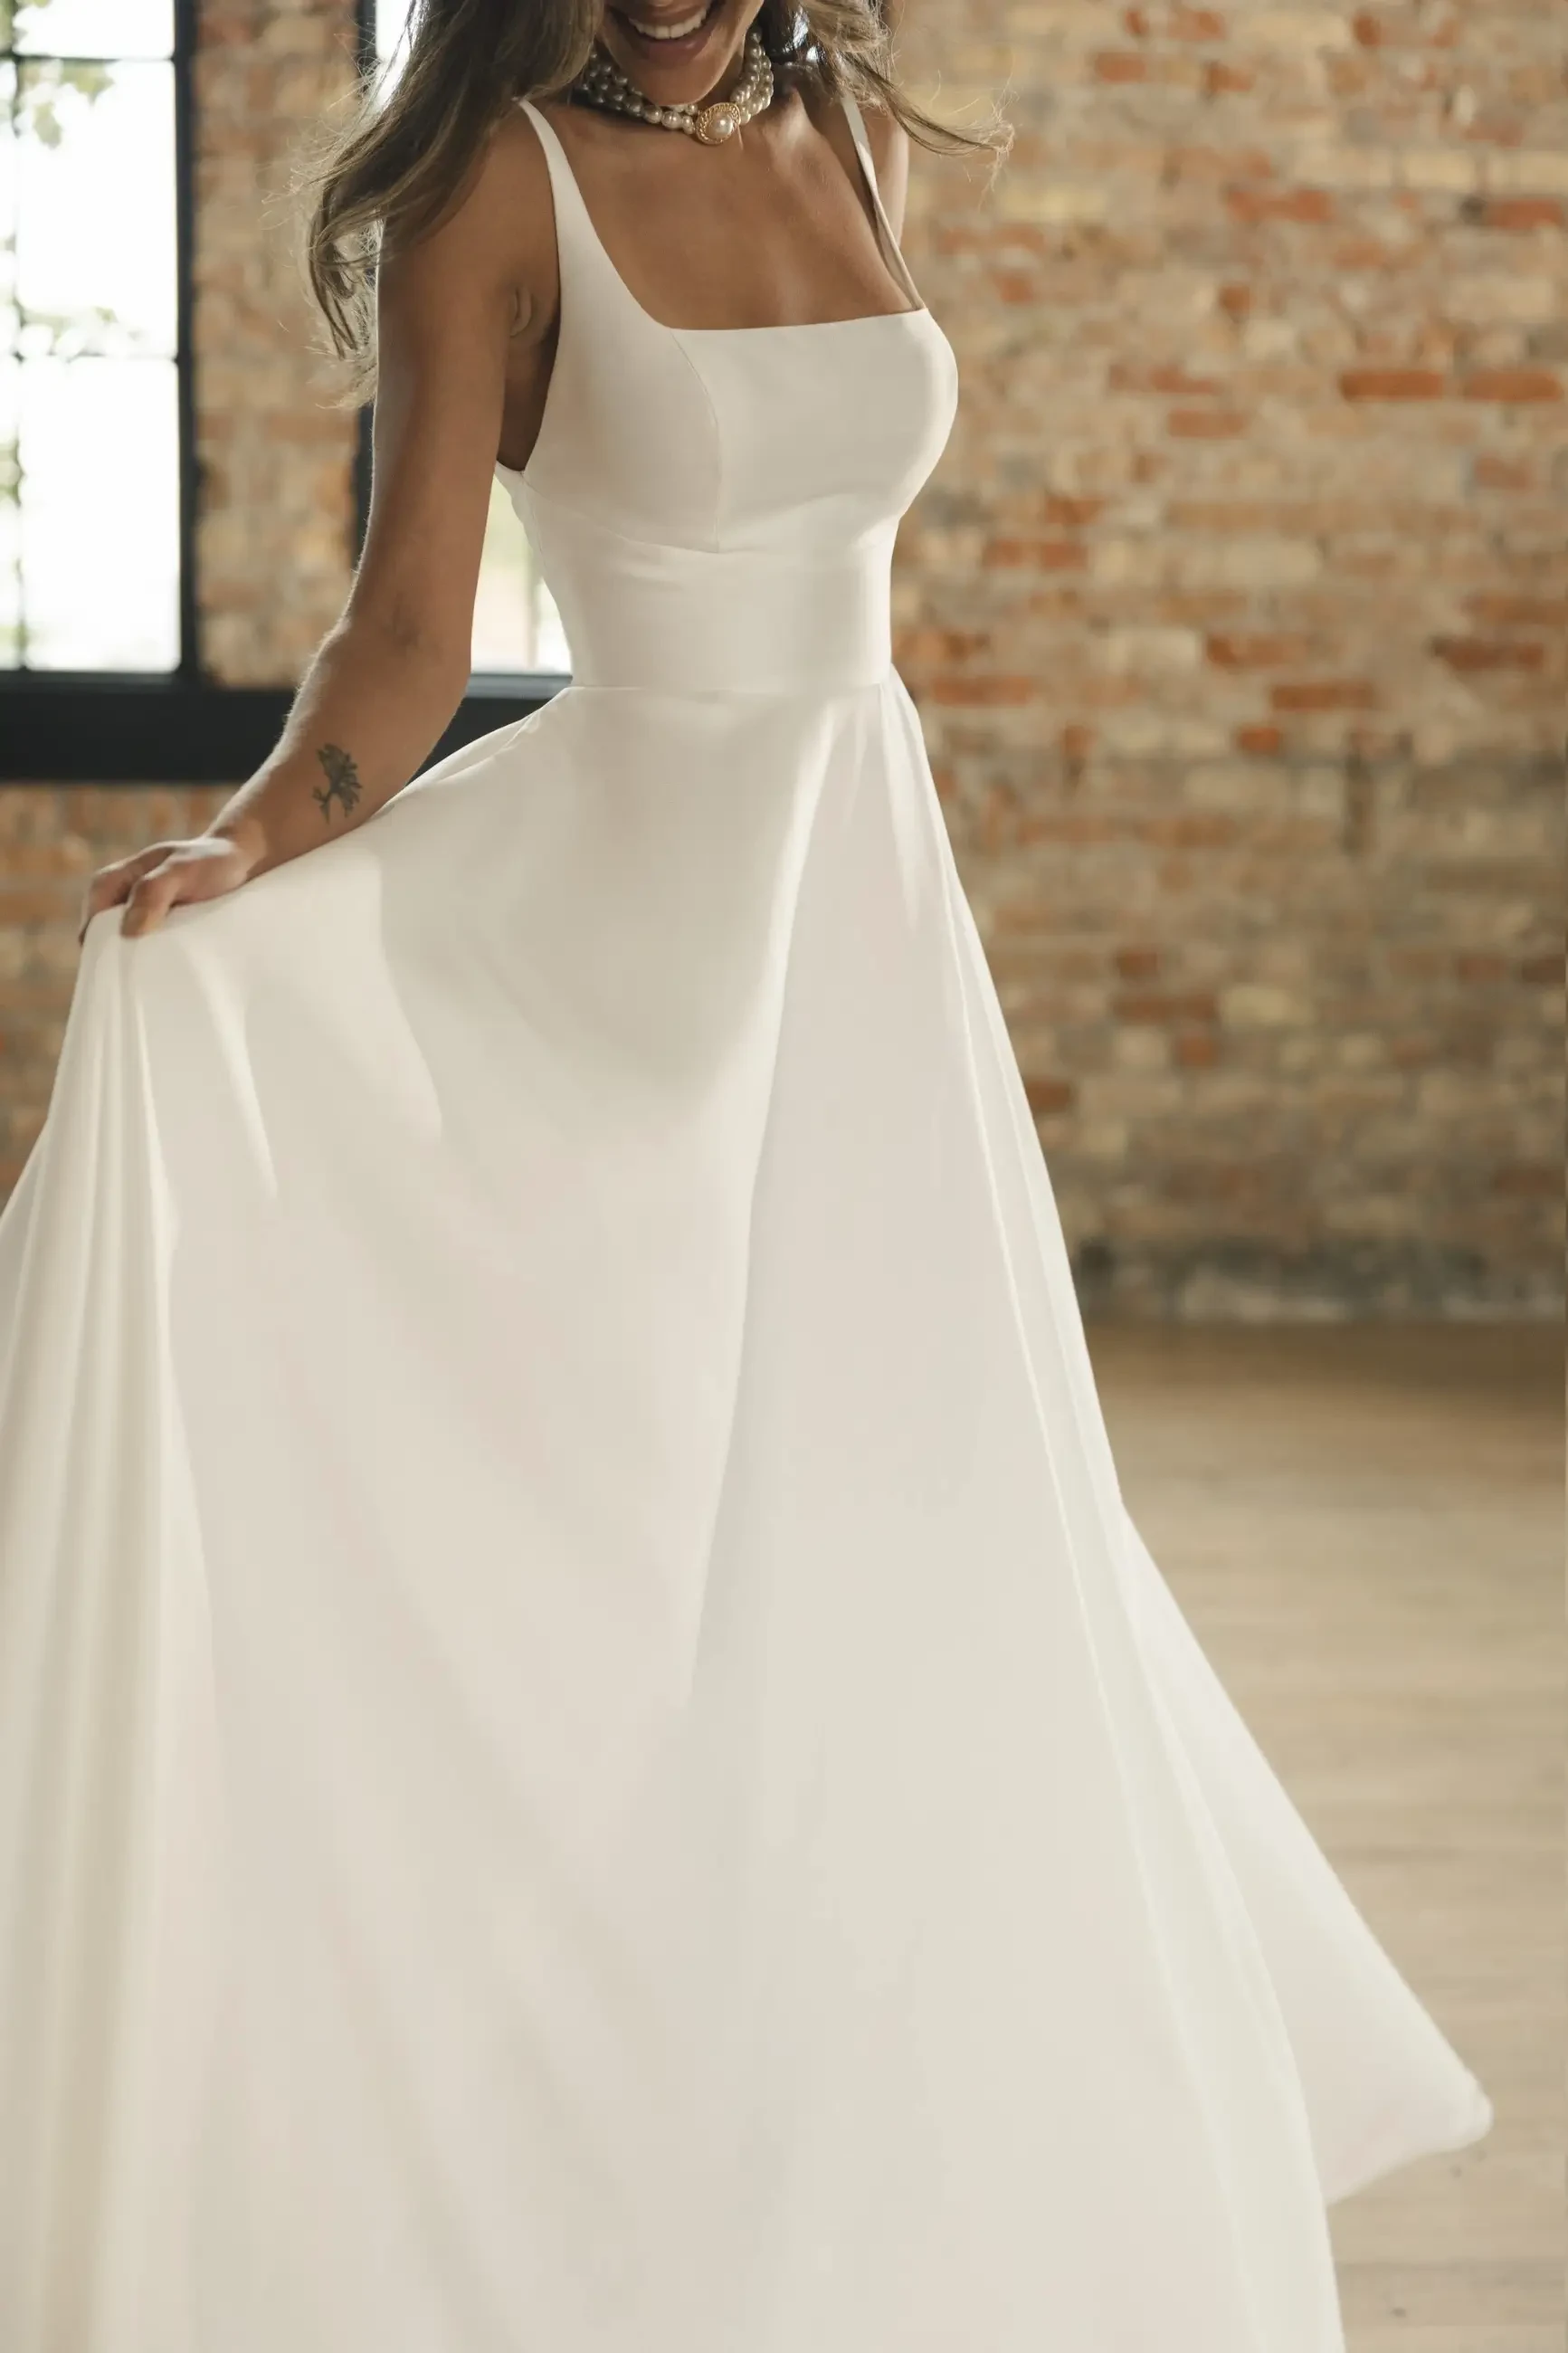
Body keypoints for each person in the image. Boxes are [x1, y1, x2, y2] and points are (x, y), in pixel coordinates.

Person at [0, 1, 1491, 2347]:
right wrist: (256, 833)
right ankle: (517, 2127)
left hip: (859, 912)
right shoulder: (487, 190)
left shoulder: (844, 115)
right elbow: (405, 637)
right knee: (612, 1545)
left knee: (907, 1533)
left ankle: (869, 2170)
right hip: (621, 941)